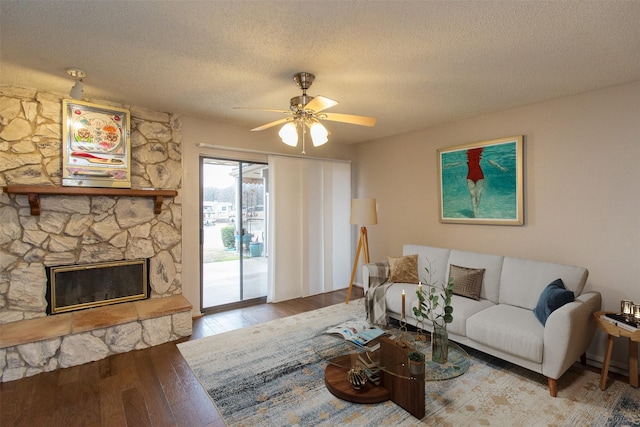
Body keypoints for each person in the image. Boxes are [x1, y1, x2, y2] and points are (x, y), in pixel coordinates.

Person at [446, 147, 508, 218]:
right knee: (473, 196)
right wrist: (449, 165)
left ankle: (475, 211)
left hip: (480, 177)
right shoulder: (467, 157)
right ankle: (475, 214)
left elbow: (490, 161)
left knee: (478, 196)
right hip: (470, 178)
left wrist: (499, 167)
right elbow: (458, 163)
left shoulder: (481, 157)